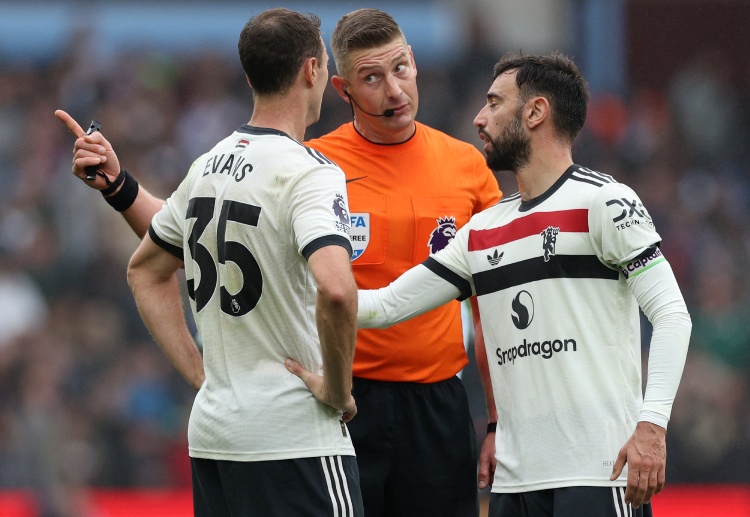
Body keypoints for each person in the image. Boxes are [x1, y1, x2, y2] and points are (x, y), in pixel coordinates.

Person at [57, 8, 502, 516]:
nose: (394, 90)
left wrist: (495, 419)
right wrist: (121, 190)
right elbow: (216, 237)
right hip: (334, 393)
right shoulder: (314, 166)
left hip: (434, 403)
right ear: (337, 86)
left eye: (400, 69)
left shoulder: (465, 166)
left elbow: (490, 299)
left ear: (416, 63)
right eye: (372, 78)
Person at [327, 51, 692, 517]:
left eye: (495, 103)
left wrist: (652, 427)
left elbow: (672, 315)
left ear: (535, 112)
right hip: (514, 488)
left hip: (598, 475)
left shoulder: (605, 202)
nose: (479, 118)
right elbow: (381, 306)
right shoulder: (482, 231)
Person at [62, 8, 363, 516]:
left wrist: (202, 378)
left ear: (249, 77)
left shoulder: (210, 164)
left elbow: (148, 266)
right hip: (294, 437)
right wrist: (337, 388)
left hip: (215, 436)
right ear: (312, 71)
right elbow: (337, 289)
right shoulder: (310, 173)